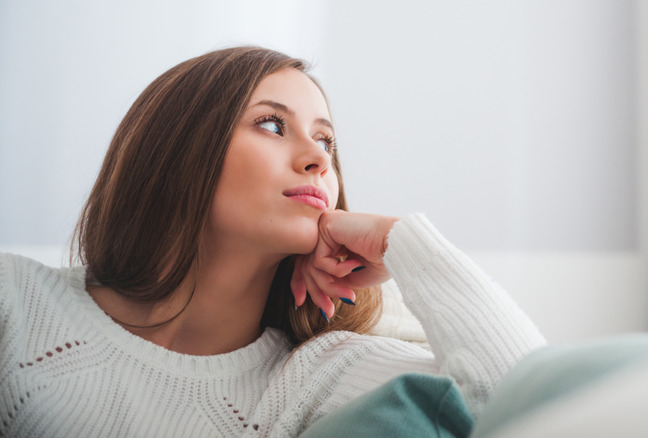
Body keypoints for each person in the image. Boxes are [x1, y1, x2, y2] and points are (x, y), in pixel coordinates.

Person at [0, 46, 546, 437]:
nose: (318, 158)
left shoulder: (315, 376)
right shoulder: (16, 301)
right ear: (177, 150)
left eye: (326, 140)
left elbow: (538, 408)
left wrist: (400, 244)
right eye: (271, 125)